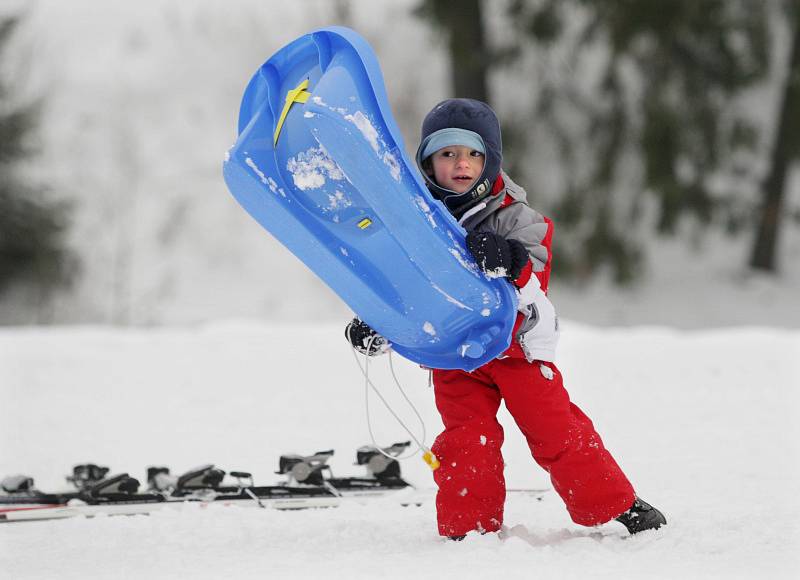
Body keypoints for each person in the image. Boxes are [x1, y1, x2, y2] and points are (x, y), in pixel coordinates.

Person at [345, 98, 666, 540]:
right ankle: (467, 530)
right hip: (457, 356)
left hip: (517, 348)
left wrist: (510, 261)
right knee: (465, 441)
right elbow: (402, 288)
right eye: (447, 154)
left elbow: (535, 274)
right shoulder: (415, 224)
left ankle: (617, 505)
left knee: (556, 431)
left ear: (490, 159)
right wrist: (378, 323)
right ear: (427, 162)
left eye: (473, 154)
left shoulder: (517, 217)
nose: (461, 164)